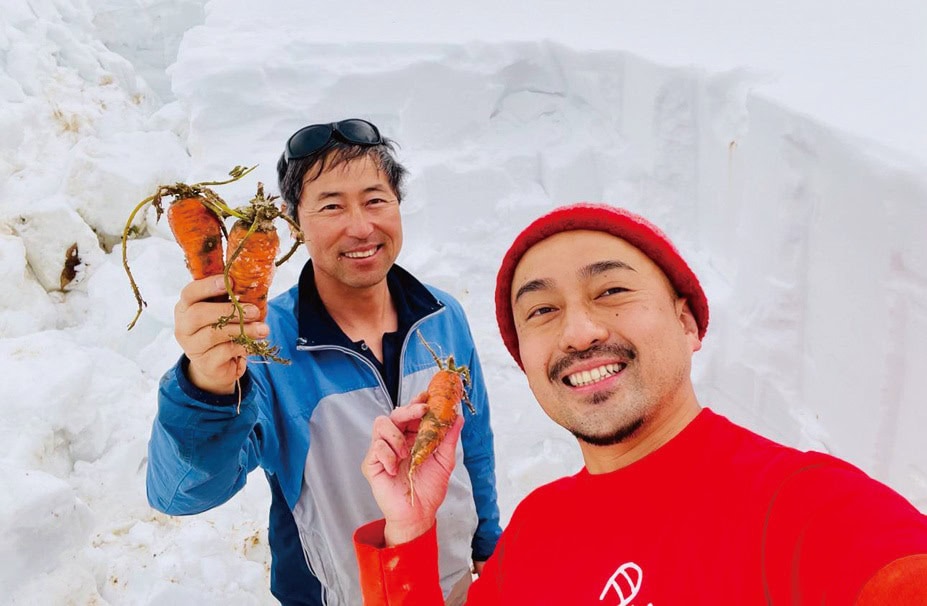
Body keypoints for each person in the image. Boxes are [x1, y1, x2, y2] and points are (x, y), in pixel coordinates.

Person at [354, 202, 927, 604]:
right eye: (542, 311)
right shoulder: (535, 533)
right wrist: (408, 527)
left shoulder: (800, 506)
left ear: (687, 322)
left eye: (611, 291)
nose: (578, 332)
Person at [146, 118, 501, 606]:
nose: (360, 227)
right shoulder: (264, 348)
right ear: (294, 222)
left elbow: (473, 444)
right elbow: (181, 493)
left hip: (451, 588)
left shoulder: (442, 316)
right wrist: (206, 384)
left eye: (376, 200)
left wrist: (489, 545)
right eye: (331, 205)